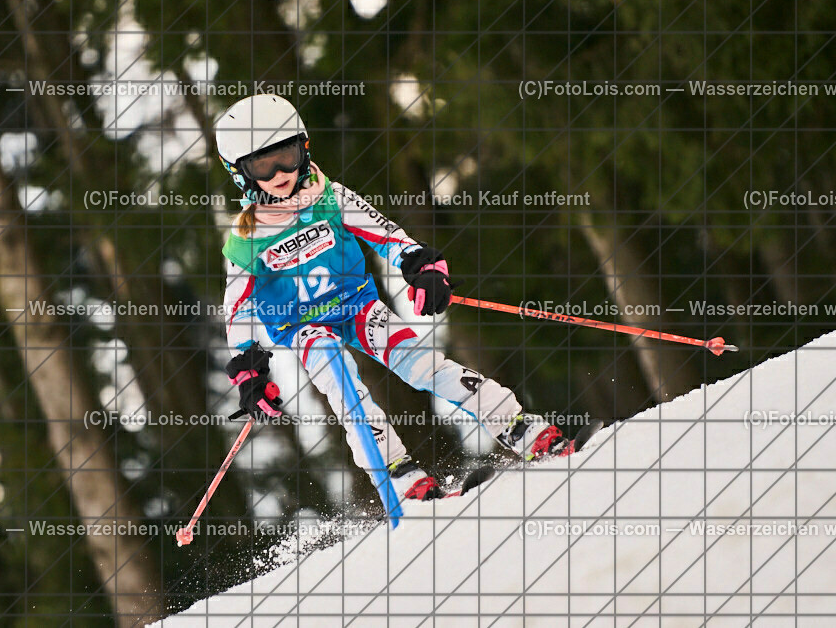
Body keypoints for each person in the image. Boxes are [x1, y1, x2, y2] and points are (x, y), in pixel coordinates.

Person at [216, 94, 572, 501]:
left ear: (305, 146)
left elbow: (386, 235)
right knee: (342, 381)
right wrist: (248, 368)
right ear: (241, 173)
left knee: (421, 364)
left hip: (357, 306)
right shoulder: (246, 239)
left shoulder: (330, 197)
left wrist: (422, 266)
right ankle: (402, 480)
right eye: (264, 164)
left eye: (288, 154)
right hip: (304, 328)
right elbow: (238, 306)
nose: (281, 171)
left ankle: (520, 426)